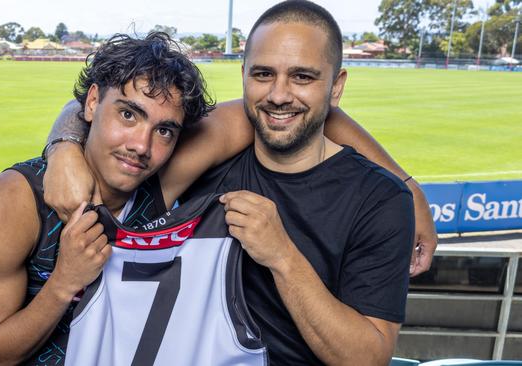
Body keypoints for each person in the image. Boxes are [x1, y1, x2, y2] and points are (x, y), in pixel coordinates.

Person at [43, 1, 427, 364]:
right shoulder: (206, 159)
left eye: (303, 77)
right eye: (263, 74)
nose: (278, 94)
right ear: (244, 75)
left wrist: (283, 257)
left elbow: (368, 358)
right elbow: (107, 100)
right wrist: (63, 145)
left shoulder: (381, 199)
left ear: (336, 86)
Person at [0, 32, 215, 365]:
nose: (141, 145)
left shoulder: (161, 182)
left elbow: (254, 111)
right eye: (128, 115)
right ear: (94, 102)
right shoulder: (12, 200)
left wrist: (63, 141)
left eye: (164, 130)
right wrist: (64, 282)